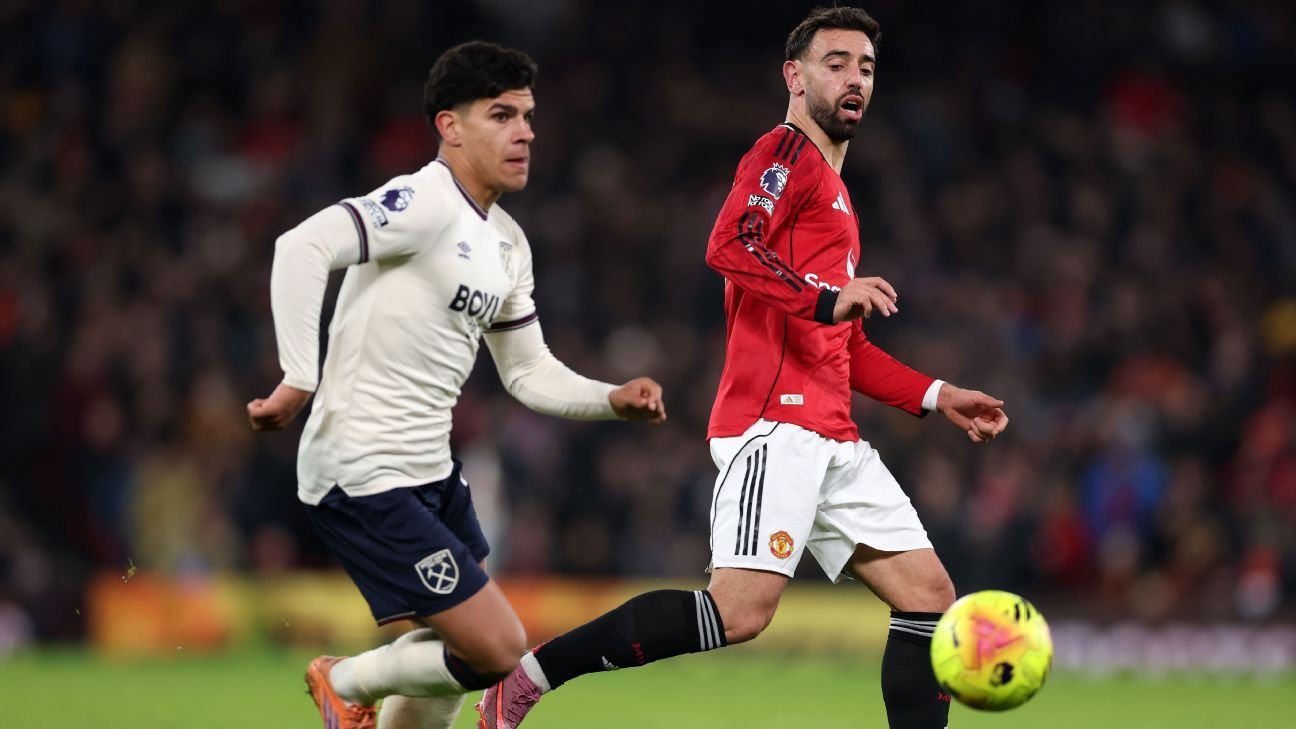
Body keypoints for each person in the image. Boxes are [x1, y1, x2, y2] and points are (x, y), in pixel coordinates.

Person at [477, 8, 1009, 729]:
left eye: (866, 67)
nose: (854, 79)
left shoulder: (837, 197)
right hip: (775, 423)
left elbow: (844, 346)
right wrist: (826, 298)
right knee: (739, 612)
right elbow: (729, 243)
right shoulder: (783, 152)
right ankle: (528, 678)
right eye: (835, 64)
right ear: (795, 76)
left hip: (832, 434)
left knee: (929, 597)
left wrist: (938, 394)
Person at [247, 41, 666, 729]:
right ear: (451, 126)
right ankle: (342, 680)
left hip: (429, 471)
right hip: (363, 467)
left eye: (527, 116)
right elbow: (302, 246)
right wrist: (299, 374)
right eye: (501, 115)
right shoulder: (423, 201)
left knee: (452, 656)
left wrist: (609, 397)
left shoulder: (507, 242)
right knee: (497, 647)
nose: (525, 132)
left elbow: (525, 370)